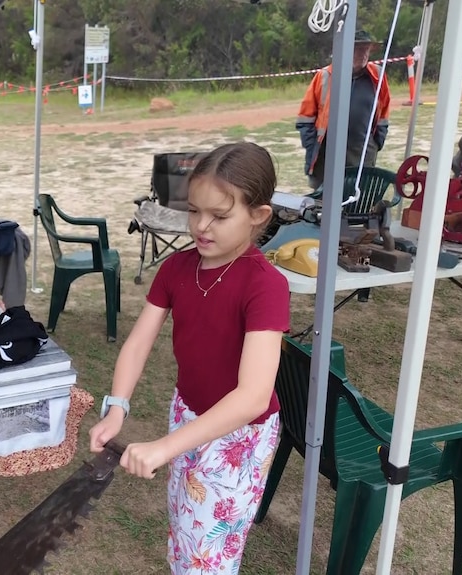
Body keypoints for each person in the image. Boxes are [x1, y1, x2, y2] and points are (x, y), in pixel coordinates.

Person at [89, 142, 289, 574]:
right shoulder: (178, 269)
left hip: (239, 438)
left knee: (210, 556)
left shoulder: (265, 286)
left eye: (219, 216)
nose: (201, 226)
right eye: (194, 210)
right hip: (188, 415)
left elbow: (254, 396)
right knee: (186, 530)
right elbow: (139, 343)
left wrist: (164, 447)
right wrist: (118, 406)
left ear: (258, 216)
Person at [297, 30, 391, 191]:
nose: (362, 54)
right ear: (345, 50)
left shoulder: (377, 75)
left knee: (357, 201)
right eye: (357, 49)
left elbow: (384, 114)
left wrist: (376, 143)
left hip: (361, 154)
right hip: (327, 156)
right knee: (324, 204)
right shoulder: (325, 76)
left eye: (366, 49)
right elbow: (305, 118)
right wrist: (312, 146)